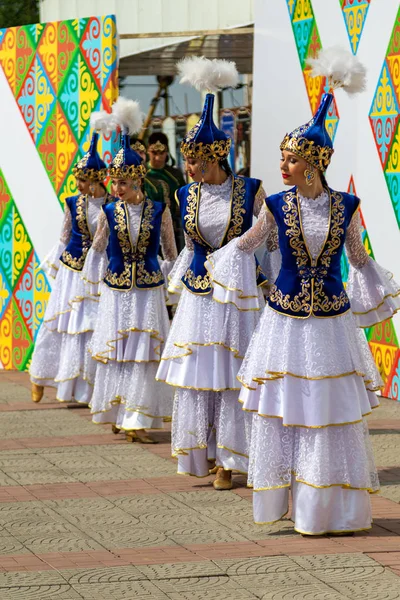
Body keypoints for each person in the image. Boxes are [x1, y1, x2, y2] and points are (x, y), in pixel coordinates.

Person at [209, 48, 400, 533]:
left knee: (331, 415)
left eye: (291, 158)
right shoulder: (274, 205)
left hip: (332, 323)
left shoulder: (345, 205)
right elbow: (249, 244)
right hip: (287, 322)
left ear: (315, 163)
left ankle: (331, 508)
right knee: (290, 410)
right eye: (283, 158)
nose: (284, 165)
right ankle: (294, 504)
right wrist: (229, 269)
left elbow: (356, 258)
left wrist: (380, 287)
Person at [156, 57, 268, 489]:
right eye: (188, 161)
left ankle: (232, 459)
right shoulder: (186, 194)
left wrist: (269, 280)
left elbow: (270, 237)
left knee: (231, 374)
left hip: (238, 295)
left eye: (195, 161)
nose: (189, 169)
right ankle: (203, 453)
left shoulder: (250, 190)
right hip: (200, 295)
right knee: (201, 375)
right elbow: (188, 246)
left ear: (214, 157)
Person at [84, 98, 177, 443]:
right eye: (114, 182)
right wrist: (92, 285)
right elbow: (97, 248)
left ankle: (137, 416)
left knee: (143, 352)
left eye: (122, 183)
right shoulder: (109, 212)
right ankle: (120, 412)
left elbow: (170, 251)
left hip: (149, 291)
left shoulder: (159, 210)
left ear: (137, 181)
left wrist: (172, 287)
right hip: (118, 291)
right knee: (121, 351)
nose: (116, 189)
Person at [30, 113, 111, 404]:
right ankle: (40, 376)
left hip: (101, 272)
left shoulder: (114, 204)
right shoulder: (73, 203)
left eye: (79, 180)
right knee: (63, 324)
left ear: (92, 180)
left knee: (91, 328)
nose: (75, 184)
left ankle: (86, 388)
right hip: (73, 271)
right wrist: (56, 264)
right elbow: (65, 236)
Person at [147, 131, 186, 252]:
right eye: (154, 153)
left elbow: (184, 200)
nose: (158, 157)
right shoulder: (140, 175)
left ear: (167, 152)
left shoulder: (175, 175)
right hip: (147, 231)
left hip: (173, 231)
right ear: (148, 151)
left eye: (161, 153)